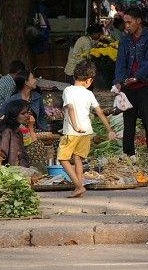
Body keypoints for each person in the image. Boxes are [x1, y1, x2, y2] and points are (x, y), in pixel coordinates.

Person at [113, 5, 148, 166]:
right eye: (125, 22)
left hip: (146, 85)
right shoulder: (124, 39)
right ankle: (128, 155)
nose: (126, 26)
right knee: (128, 123)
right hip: (129, 87)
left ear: (138, 21)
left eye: (129, 22)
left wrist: (137, 77)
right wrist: (119, 81)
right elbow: (120, 62)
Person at [59, 60, 117, 197]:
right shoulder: (89, 94)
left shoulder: (68, 90)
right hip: (86, 131)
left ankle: (79, 186)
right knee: (77, 158)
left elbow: (71, 108)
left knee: (63, 159)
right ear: (89, 80)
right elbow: (100, 112)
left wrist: (74, 125)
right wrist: (110, 130)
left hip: (72, 131)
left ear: (74, 76)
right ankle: (78, 187)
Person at [0, 99, 33, 167]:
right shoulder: (7, 132)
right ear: (14, 115)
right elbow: (1, 154)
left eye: (28, 112)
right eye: (23, 113)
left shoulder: (18, 132)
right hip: (8, 171)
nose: (27, 116)